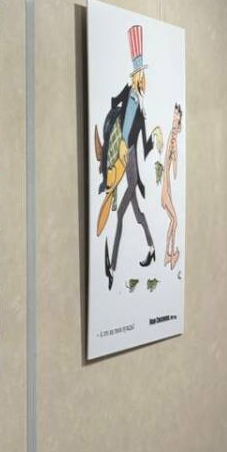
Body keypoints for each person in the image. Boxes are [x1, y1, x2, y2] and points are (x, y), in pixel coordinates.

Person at [94, 24, 162, 290]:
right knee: (136, 213)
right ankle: (151, 247)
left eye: (143, 75)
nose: (144, 79)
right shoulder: (130, 96)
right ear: (136, 77)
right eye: (141, 75)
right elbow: (114, 105)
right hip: (125, 161)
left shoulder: (140, 109)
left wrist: (154, 136)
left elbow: (142, 146)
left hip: (131, 169)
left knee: (122, 215)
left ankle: (112, 268)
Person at [160, 104, 182, 270]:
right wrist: (173, 152)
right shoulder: (170, 140)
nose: (175, 121)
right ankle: (170, 255)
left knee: (173, 222)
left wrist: (175, 154)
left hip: (167, 192)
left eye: (177, 119)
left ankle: (169, 254)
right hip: (165, 192)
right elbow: (169, 171)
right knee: (175, 220)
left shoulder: (173, 141)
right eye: (175, 117)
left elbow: (174, 173)